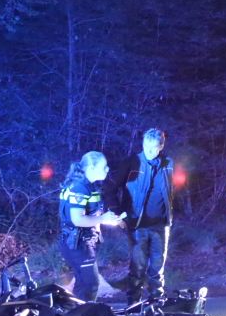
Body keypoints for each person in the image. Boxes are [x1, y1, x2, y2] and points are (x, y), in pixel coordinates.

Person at [103, 129, 174, 305]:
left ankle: (157, 303)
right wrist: (117, 215)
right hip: (136, 224)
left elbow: (169, 191)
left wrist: (169, 214)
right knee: (138, 267)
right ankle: (133, 304)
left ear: (161, 146)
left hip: (161, 224)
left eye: (154, 148)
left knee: (157, 268)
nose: (149, 151)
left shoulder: (168, 162)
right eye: (146, 147)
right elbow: (110, 188)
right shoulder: (131, 163)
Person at [59, 151, 124, 302]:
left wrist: (107, 219)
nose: (107, 170)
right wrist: (102, 218)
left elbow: (90, 216)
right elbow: (77, 220)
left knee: (83, 285)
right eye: (104, 167)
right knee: (90, 285)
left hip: (79, 242)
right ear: (92, 168)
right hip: (77, 244)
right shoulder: (80, 188)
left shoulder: (88, 186)